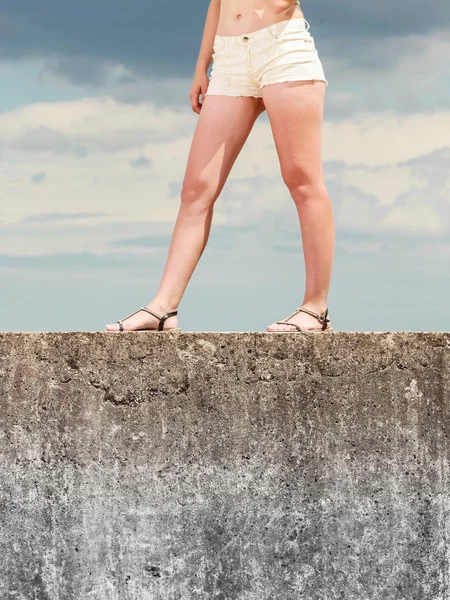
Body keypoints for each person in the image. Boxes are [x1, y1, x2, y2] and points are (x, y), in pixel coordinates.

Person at [106, 0, 334, 334]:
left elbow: (282, 4)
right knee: (196, 189)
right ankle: (163, 308)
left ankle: (315, 309)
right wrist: (202, 67)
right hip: (229, 59)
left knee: (302, 181)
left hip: (283, 49)